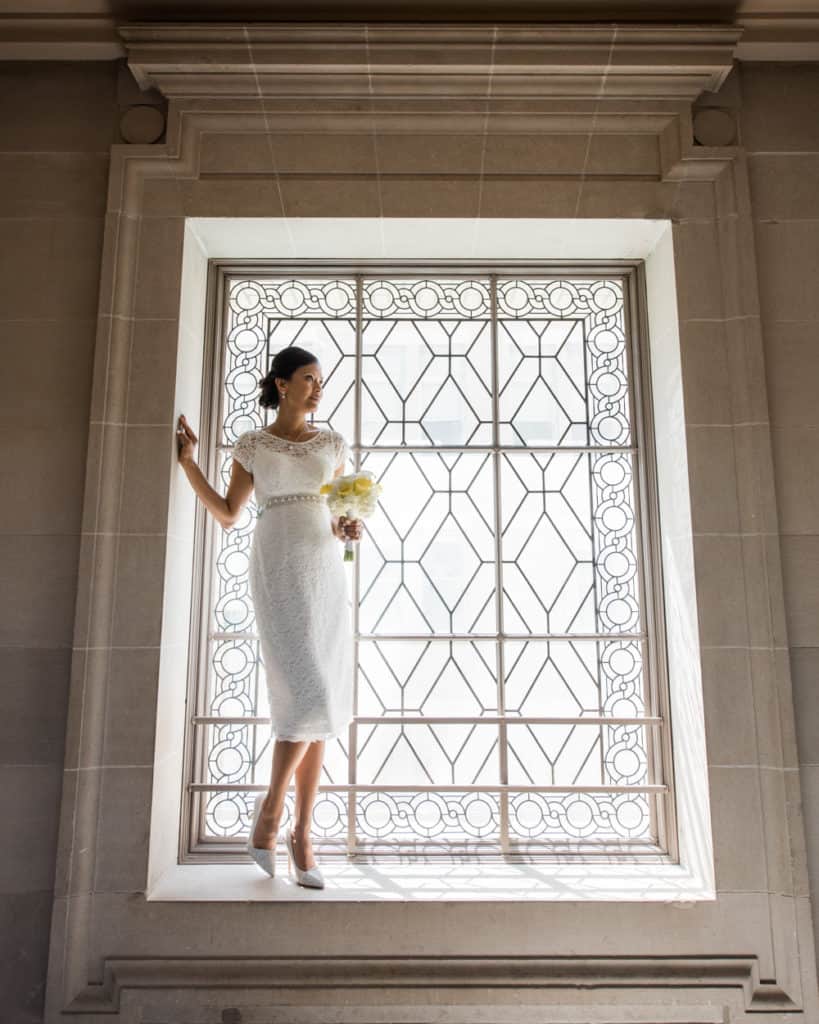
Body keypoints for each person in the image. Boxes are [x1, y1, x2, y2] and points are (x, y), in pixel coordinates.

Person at [176, 346, 361, 889]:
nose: (318, 387)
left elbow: (339, 515)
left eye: (321, 380)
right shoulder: (253, 443)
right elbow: (230, 514)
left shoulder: (332, 443)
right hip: (278, 564)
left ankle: (301, 833)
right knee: (307, 693)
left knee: (323, 697)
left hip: (325, 568)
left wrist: (350, 530)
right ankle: (272, 814)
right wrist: (189, 464)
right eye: (308, 378)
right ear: (282, 384)